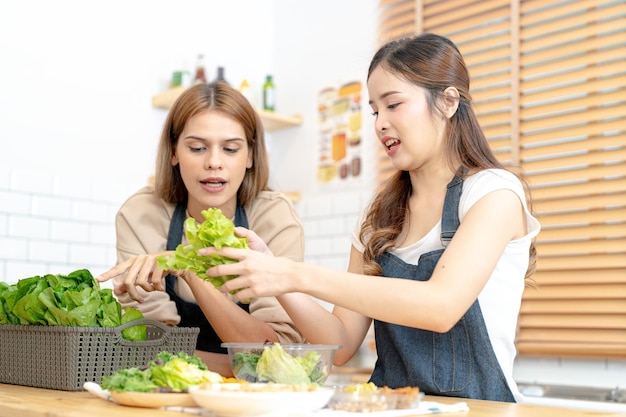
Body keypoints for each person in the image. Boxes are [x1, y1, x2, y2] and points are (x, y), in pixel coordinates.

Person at [203, 33, 541, 402]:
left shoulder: (493, 193)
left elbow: (441, 305)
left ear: (447, 102)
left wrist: (294, 273)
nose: (380, 123)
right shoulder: (380, 215)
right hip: (391, 407)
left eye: (393, 104)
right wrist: (278, 277)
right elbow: (341, 343)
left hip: (479, 410)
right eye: (375, 110)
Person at [96, 81, 305, 376]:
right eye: (197, 148)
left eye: (231, 149)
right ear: (174, 152)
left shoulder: (274, 218)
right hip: (170, 389)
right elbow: (148, 346)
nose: (214, 163)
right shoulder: (140, 215)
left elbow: (275, 354)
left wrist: (185, 267)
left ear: (250, 156)